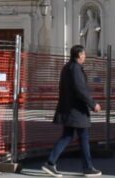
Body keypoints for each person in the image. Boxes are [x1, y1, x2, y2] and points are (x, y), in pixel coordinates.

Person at [42, 45, 102, 177]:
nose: (85, 56)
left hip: (69, 108)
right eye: (84, 54)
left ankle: (50, 163)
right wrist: (93, 104)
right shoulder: (75, 69)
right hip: (77, 110)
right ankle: (87, 167)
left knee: (67, 136)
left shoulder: (67, 67)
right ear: (79, 55)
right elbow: (80, 90)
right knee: (83, 137)